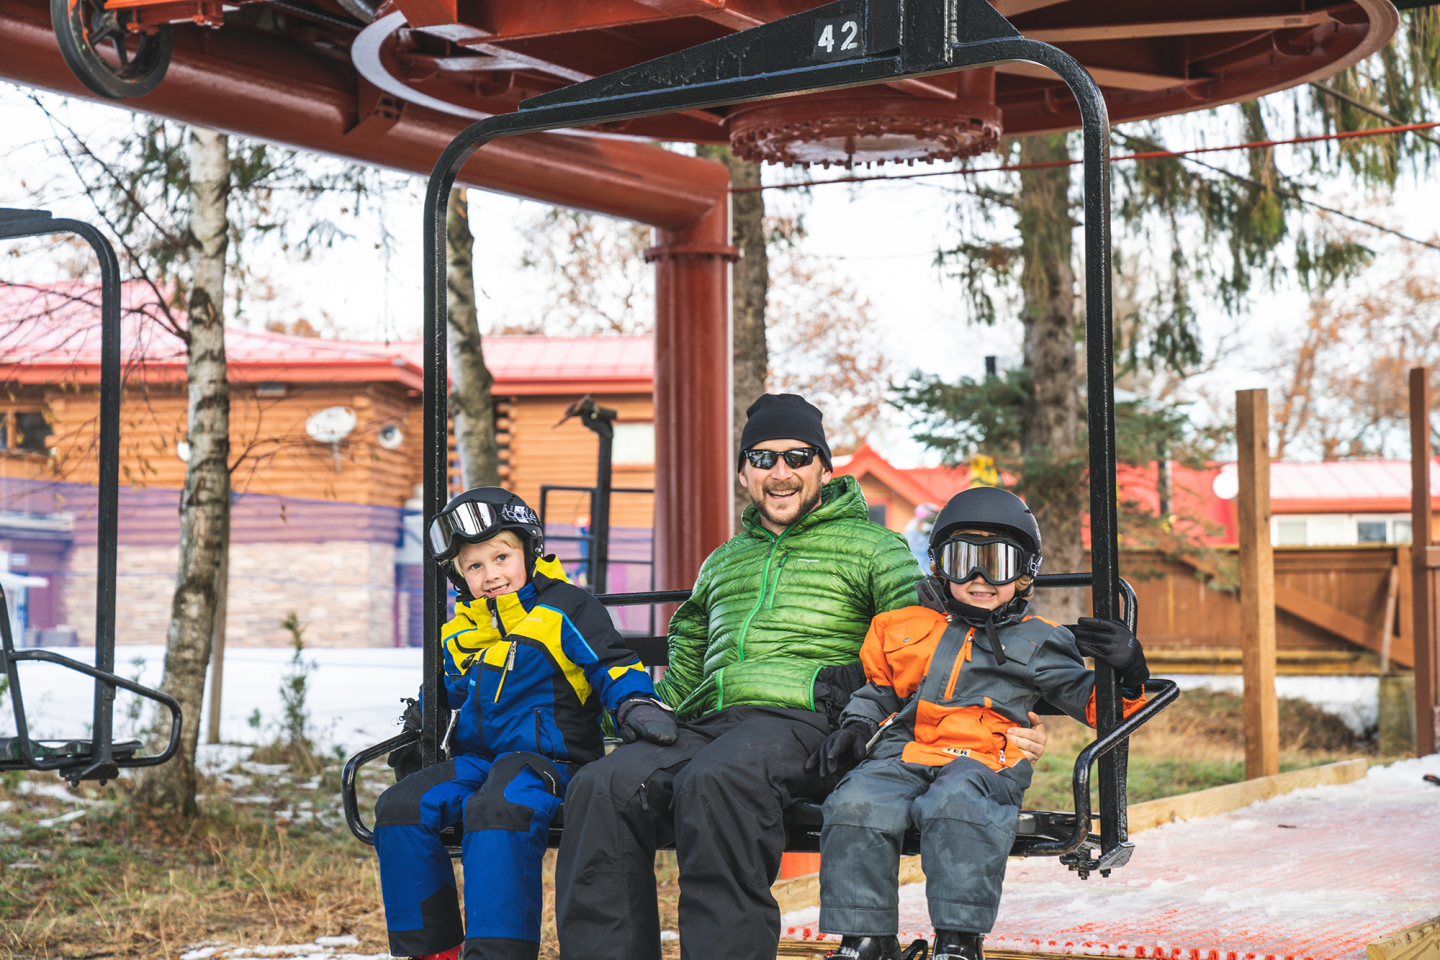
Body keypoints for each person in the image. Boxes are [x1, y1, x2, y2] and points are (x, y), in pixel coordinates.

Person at [554, 394, 1049, 960]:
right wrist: (646, 714)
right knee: (602, 785)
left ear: (823, 467)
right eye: (763, 459)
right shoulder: (723, 560)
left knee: (717, 783)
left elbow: (931, 642)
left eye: (797, 456)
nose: (781, 473)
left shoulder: (874, 548)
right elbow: (689, 657)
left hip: (810, 720)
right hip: (712, 719)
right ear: (744, 473)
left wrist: (990, 718)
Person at [809, 486, 1151, 960]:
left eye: (999, 563)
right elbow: (878, 691)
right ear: (938, 566)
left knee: (956, 807)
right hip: (902, 754)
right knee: (854, 803)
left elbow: (1093, 706)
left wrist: (1129, 677)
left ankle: (958, 941)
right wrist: (856, 728)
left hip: (985, 761)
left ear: (1025, 574)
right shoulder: (903, 627)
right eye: (963, 559)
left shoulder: (1038, 641)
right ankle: (867, 942)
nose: (979, 577)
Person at [372, 487, 677, 960]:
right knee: (400, 807)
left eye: (501, 556)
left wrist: (635, 702)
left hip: (550, 762)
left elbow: (611, 663)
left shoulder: (563, 608)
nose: (491, 575)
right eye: (474, 566)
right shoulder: (460, 630)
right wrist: (421, 719)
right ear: (459, 576)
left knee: (498, 806)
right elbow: (446, 690)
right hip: (478, 760)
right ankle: (433, 951)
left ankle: (498, 953)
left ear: (529, 551)